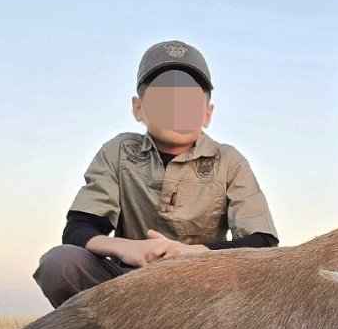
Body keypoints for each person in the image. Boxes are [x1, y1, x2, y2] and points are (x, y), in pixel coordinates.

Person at [34, 40, 278, 308]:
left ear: (207, 113)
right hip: (127, 282)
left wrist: (193, 254)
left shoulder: (230, 160)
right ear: (139, 108)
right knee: (59, 264)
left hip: (202, 290)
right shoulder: (118, 151)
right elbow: (78, 229)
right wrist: (130, 249)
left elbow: (263, 242)